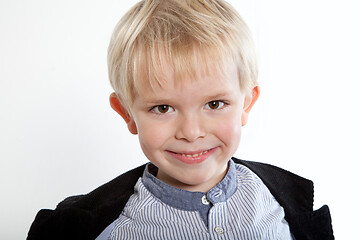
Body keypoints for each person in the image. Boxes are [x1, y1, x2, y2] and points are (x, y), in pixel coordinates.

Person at [27, 0, 334, 239]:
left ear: (246, 104)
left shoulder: (287, 205)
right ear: (127, 114)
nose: (191, 132)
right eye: (163, 108)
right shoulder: (95, 228)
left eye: (215, 103)